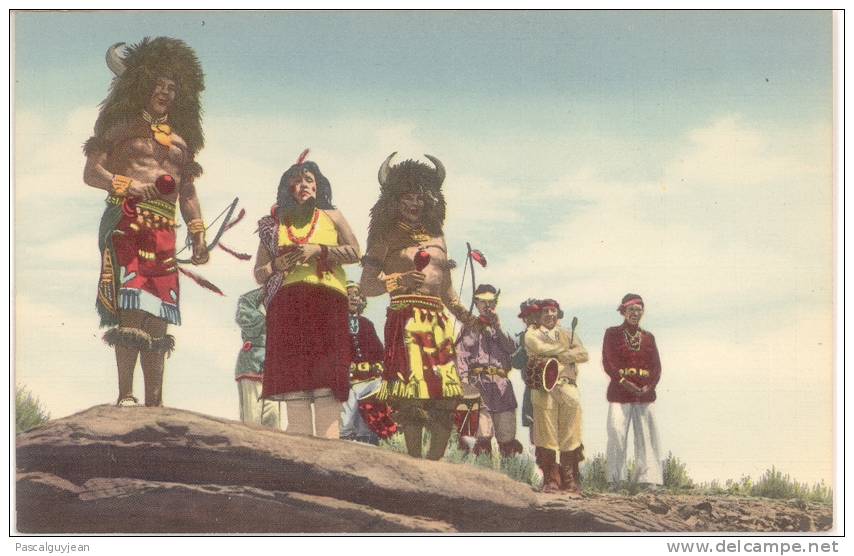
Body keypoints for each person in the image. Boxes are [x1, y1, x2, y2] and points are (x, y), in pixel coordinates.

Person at [83, 38, 209, 407]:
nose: (165, 93)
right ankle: (126, 396)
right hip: (129, 219)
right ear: (142, 84)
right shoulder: (119, 127)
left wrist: (198, 234)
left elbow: (186, 192)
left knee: (161, 313)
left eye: (172, 88)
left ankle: (155, 403)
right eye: (159, 84)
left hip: (166, 231)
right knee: (132, 305)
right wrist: (128, 185)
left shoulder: (182, 144)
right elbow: (92, 173)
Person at [359, 153, 478, 460]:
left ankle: (436, 466)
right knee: (409, 397)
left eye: (420, 197)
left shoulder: (439, 238)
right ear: (394, 201)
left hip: (438, 325)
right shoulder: (385, 237)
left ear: (430, 200)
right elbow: (366, 286)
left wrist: (466, 316)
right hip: (404, 321)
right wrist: (398, 280)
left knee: (445, 399)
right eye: (407, 198)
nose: (414, 204)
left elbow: (447, 291)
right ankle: (414, 466)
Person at [253, 150, 361, 439]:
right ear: (287, 188)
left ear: (318, 186)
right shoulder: (274, 224)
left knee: (327, 383)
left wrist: (319, 250)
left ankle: (330, 459)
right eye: (296, 181)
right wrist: (276, 264)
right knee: (296, 385)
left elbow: (355, 252)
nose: (302, 185)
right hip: (289, 309)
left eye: (308, 180)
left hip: (328, 305)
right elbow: (259, 272)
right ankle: (300, 461)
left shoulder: (332, 215)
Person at [525, 299, 588, 494]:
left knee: (571, 434)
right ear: (538, 315)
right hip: (544, 389)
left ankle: (570, 478)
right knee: (546, 434)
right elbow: (540, 348)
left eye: (553, 311)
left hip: (567, 387)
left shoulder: (569, 334)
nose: (550, 315)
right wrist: (567, 352)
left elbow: (584, 354)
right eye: (546, 312)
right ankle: (551, 479)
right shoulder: (532, 334)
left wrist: (565, 355)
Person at [602, 293, 663, 488]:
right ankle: (615, 479)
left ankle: (648, 480)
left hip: (644, 395)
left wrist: (648, 386)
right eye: (631, 310)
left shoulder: (648, 337)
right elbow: (608, 361)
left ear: (642, 312)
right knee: (616, 434)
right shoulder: (612, 334)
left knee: (646, 436)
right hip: (619, 393)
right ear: (623, 312)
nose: (635, 313)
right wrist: (624, 382)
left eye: (638, 309)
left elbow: (657, 367)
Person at [455, 284, 522, 458]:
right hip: (479, 385)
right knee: (482, 434)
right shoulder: (468, 328)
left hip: (501, 387)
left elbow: (512, 348)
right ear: (476, 303)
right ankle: (484, 473)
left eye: (491, 302)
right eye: (482, 302)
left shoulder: (502, 327)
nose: (487, 306)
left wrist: (497, 327)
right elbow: (460, 355)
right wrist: (463, 381)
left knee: (507, 434)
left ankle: (510, 475)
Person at [340, 281, 385, 445]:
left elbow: (379, 352)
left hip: (368, 379)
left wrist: (379, 366)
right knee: (346, 420)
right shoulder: (335, 324)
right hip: (346, 380)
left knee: (367, 422)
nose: (353, 298)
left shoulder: (367, 324)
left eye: (357, 295)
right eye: (349, 294)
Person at [233, 288, 280, 429]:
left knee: (273, 421)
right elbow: (243, 312)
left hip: (273, 372)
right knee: (252, 421)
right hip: (252, 365)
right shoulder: (254, 299)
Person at [511, 298, 542, 443]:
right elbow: (516, 363)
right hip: (532, 387)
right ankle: (540, 462)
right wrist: (524, 345)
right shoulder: (522, 338)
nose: (532, 319)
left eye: (535, 314)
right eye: (528, 316)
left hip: (553, 388)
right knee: (534, 431)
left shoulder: (554, 335)